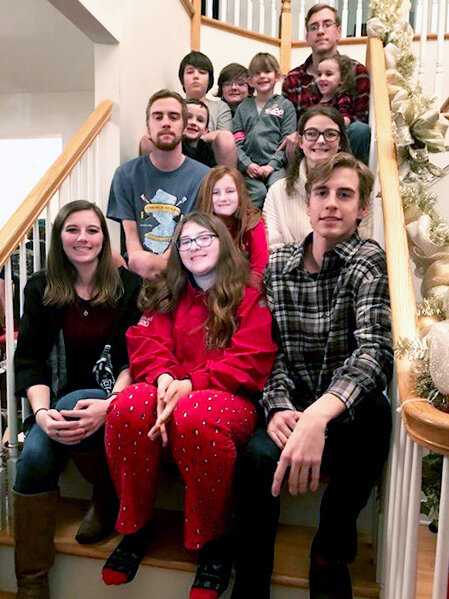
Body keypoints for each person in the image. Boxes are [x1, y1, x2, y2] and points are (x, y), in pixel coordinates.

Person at [232, 153, 393, 599]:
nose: (331, 204)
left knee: (378, 414)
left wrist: (318, 418)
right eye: (322, 193)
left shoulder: (368, 261)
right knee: (255, 458)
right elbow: (271, 351)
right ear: (308, 204)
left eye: (345, 195)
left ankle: (329, 552)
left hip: (341, 414)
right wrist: (280, 406)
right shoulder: (279, 267)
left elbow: (374, 352)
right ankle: (250, 583)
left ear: (362, 208)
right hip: (292, 405)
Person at [101, 213, 277, 599]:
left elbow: (251, 359)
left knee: (194, 414)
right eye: (186, 242)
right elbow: (144, 341)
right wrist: (164, 377)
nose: (194, 246)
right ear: (177, 252)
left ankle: (214, 543)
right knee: (128, 404)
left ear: (223, 244)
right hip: (172, 391)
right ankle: (135, 527)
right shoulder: (170, 292)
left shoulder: (249, 295)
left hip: (229, 401)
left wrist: (191, 384)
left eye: (204, 239)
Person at [13, 200, 142, 599]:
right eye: (73, 230)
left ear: (105, 238)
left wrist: (113, 404)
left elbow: (133, 355)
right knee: (33, 456)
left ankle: (105, 494)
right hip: (56, 403)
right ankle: (31, 585)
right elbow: (31, 359)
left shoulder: (128, 286)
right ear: (59, 237)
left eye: (92, 230)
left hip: (111, 398)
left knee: (84, 401)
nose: (83, 238)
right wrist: (40, 413)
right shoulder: (39, 288)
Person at [108, 89, 209, 280]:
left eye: (173, 117)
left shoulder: (204, 177)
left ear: (184, 125)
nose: (165, 123)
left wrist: (159, 265)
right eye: (157, 117)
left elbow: (189, 240)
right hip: (137, 271)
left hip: (184, 269)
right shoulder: (126, 175)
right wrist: (141, 263)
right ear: (148, 127)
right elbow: (132, 242)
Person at [282, 4, 371, 164]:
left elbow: (358, 123)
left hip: (342, 149)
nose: (320, 31)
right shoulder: (293, 78)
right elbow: (288, 124)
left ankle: (350, 183)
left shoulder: (356, 71)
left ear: (338, 32)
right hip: (306, 152)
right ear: (307, 38)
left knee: (360, 130)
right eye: (314, 27)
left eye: (327, 24)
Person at [263, 105, 349, 251]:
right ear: (301, 142)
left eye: (330, 134)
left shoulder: (356, 190)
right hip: (289, 273)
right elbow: (272, 249)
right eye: (312, 133)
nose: (321, 140)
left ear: (340, 142)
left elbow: (361, 247)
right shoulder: (277, 191)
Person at [233, 52, 296, 208]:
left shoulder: (285, 106)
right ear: (250, 81)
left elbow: (286, 141)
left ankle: (273, 230)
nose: (262, 76)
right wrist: (247, 164)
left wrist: (271, 165)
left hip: (275, 167)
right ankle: (250, 229)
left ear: (277, 76)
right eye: (257, 73)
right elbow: (236, 141)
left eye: (267, 71)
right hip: (248, 169)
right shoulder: (243, 107)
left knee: (277, 190)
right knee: (257, 193)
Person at [197, 166, 269, 283]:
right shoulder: (199, 228)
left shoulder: (253, 223)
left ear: (240, 194)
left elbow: (260, 269)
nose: (223, 198)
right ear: (207, 197)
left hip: (247, 291)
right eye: (215, 193)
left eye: (230, 191)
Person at [179, 51, 237, 168]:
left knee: (225, 138)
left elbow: (225, 135)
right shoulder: (174, 105)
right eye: (190, 72)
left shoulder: (220, 107)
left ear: (209, 79)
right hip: (177, 157)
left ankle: (228, 183)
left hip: (210, 162)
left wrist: (195, 136)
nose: (196, 76)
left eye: (202, 72)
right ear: (182, 79)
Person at [314, 55, 356, 126]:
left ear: (342, 79)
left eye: (328, 74)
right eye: (319, 74)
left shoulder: (342, 97)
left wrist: (327, 127)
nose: (322, 78)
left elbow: (346, 120)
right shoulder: (316, 99)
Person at [182, 99, 217, 168]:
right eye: (188, 117)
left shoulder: (206, 150)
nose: (193, 123)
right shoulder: (175, 146)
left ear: (205, 130)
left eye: (200, 120)